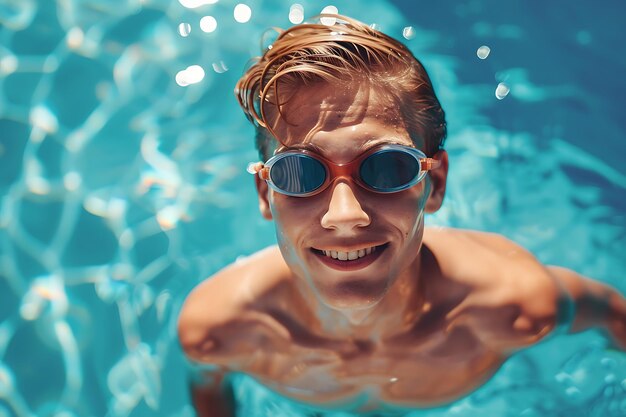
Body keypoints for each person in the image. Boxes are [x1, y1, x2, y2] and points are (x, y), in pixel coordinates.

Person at [177, 14, 626, 417]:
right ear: (264, 193)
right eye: (298, 172)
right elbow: (210, 392)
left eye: (388, 167)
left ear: (436, 184)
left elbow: (613, 314)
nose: (345, 215)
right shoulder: (219, 331)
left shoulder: (513, 307)